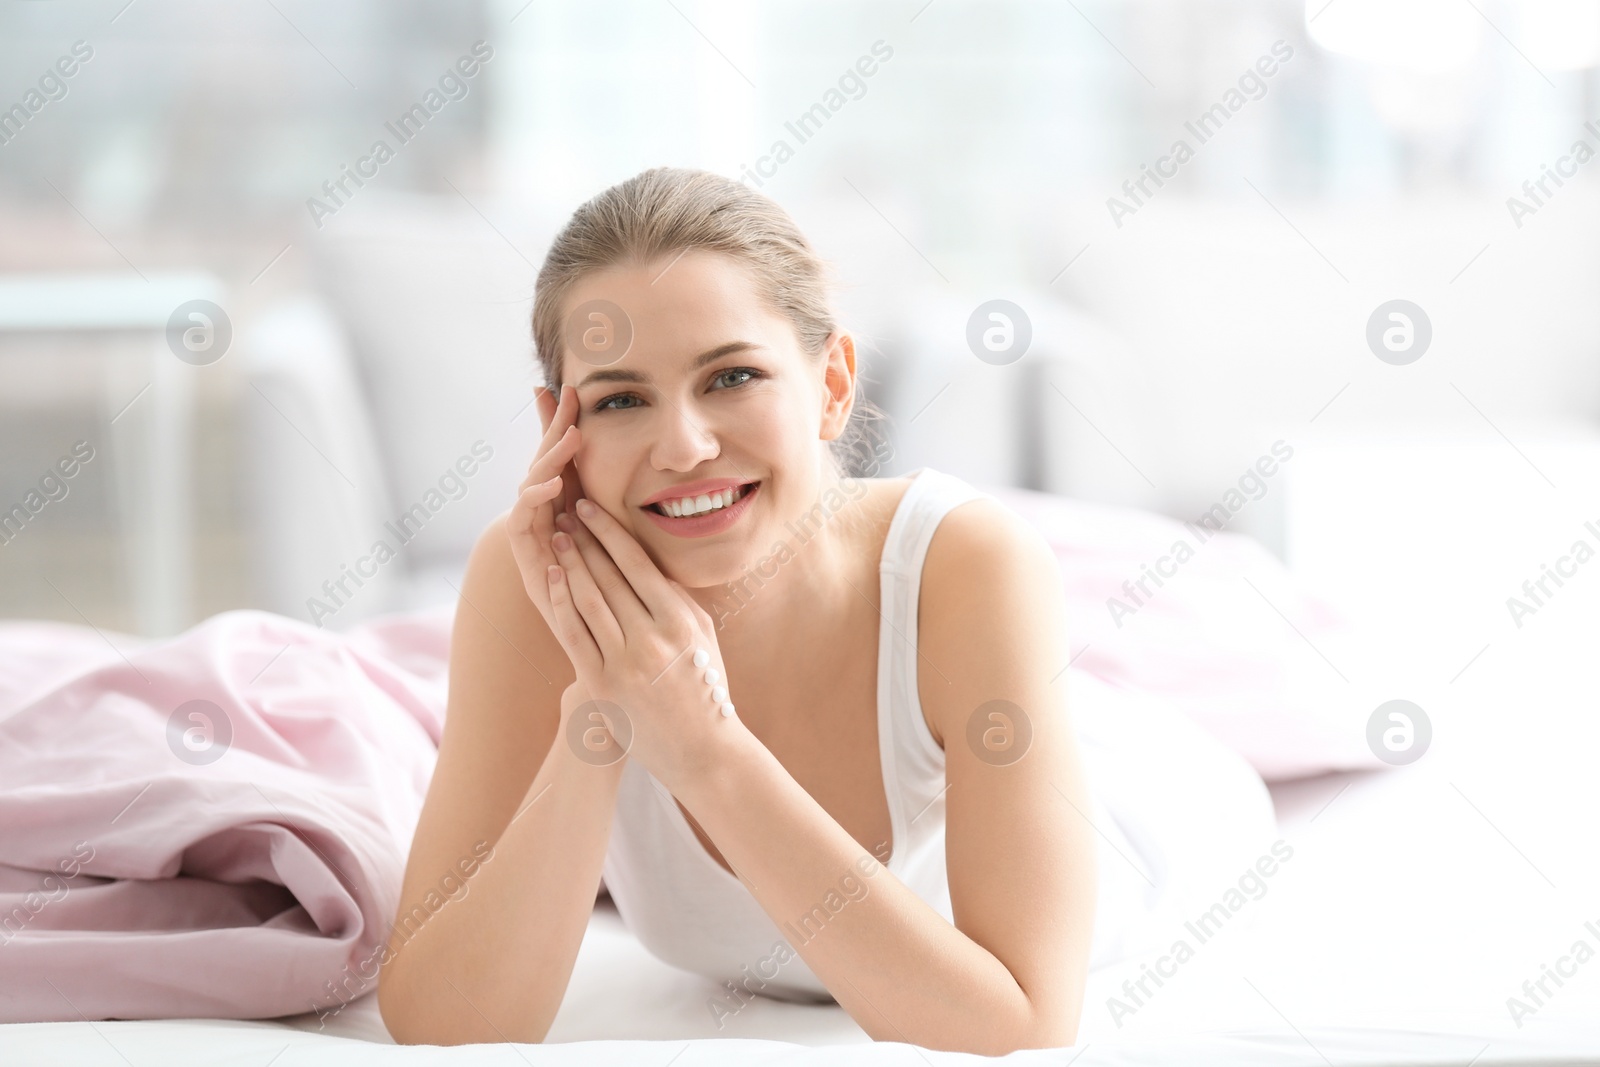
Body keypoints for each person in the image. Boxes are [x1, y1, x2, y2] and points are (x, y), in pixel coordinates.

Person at [377, 166, 1097, 1053]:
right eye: (621, 399)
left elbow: (1022, 1027)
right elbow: (441, 1024)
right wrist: (602, 708)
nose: (684, 445)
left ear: (832, 383)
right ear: (556, 430)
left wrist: (706, 747)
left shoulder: (971, 566)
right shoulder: (534, 581)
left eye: (732, 377)